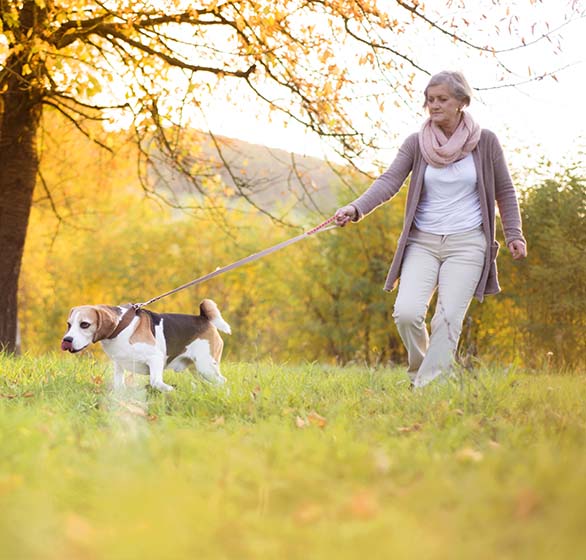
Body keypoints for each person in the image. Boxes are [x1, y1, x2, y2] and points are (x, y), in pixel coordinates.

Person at [334, 70, 527, 388]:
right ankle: (425, 372)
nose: (433, 105)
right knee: (407, 313)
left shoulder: (486, 142)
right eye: (429, 99)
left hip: (468, 243)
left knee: (448, 318)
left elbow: (504, 190)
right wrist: (356, 208)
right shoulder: (417, 143)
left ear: (461, 103)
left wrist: (514, 233)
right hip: (422, 242)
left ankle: (427, 386)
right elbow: (389, 181)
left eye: (442, 99)